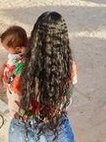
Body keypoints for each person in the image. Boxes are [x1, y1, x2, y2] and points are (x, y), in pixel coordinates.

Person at [8, 12, 77, 142]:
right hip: (57, 128)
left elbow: (13, 98)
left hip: (23, 129)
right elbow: (67, 99)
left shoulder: (19, 68)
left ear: (35, 37)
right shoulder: (69, 68)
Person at [0, 25, 27, 118]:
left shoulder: (24, 58)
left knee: (18, 106)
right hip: (12, 89)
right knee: (13, 104)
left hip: (18, 91)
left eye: (7, 48)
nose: (7, 51)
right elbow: (4, 64)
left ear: (18, 49)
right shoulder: (12, 57)